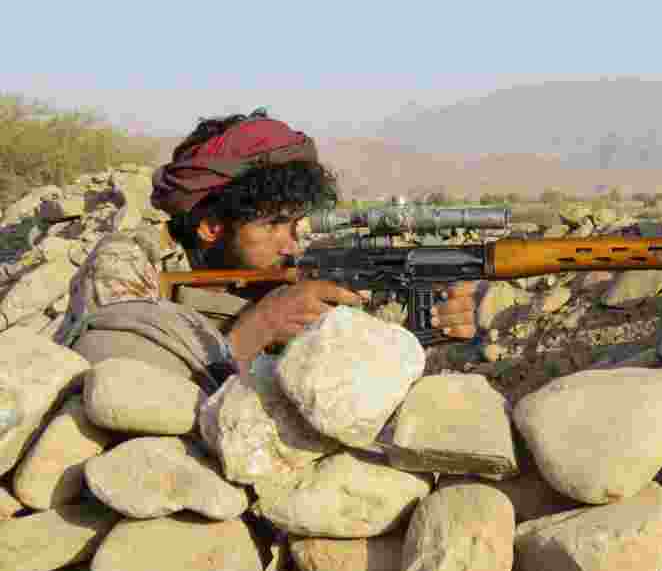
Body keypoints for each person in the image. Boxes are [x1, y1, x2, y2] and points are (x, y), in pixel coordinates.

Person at [56, 110, 480, 391]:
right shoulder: (128, 262)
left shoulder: (294, 264)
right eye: (273, 225)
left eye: (295, 222)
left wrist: (419, 330)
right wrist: (259, 328)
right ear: (211, 227)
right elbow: (124, 390)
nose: (291, 241)